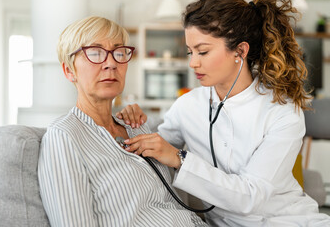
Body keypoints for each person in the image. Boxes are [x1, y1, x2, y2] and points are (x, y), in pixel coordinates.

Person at [116, 0, 330, 226]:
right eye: (190, 51)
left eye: (203, 51)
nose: (192, 62)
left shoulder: (282, 111)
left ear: (240, 51)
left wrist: (180, 159)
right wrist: (133, 122)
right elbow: (153, 148)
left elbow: (250, 197)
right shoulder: (189, 104)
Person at [37, 16, 208, 227]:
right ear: (69, 71)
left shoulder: (135, 126)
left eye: (119, 53)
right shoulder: (64, 136)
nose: (111, 63)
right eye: (95, 53)